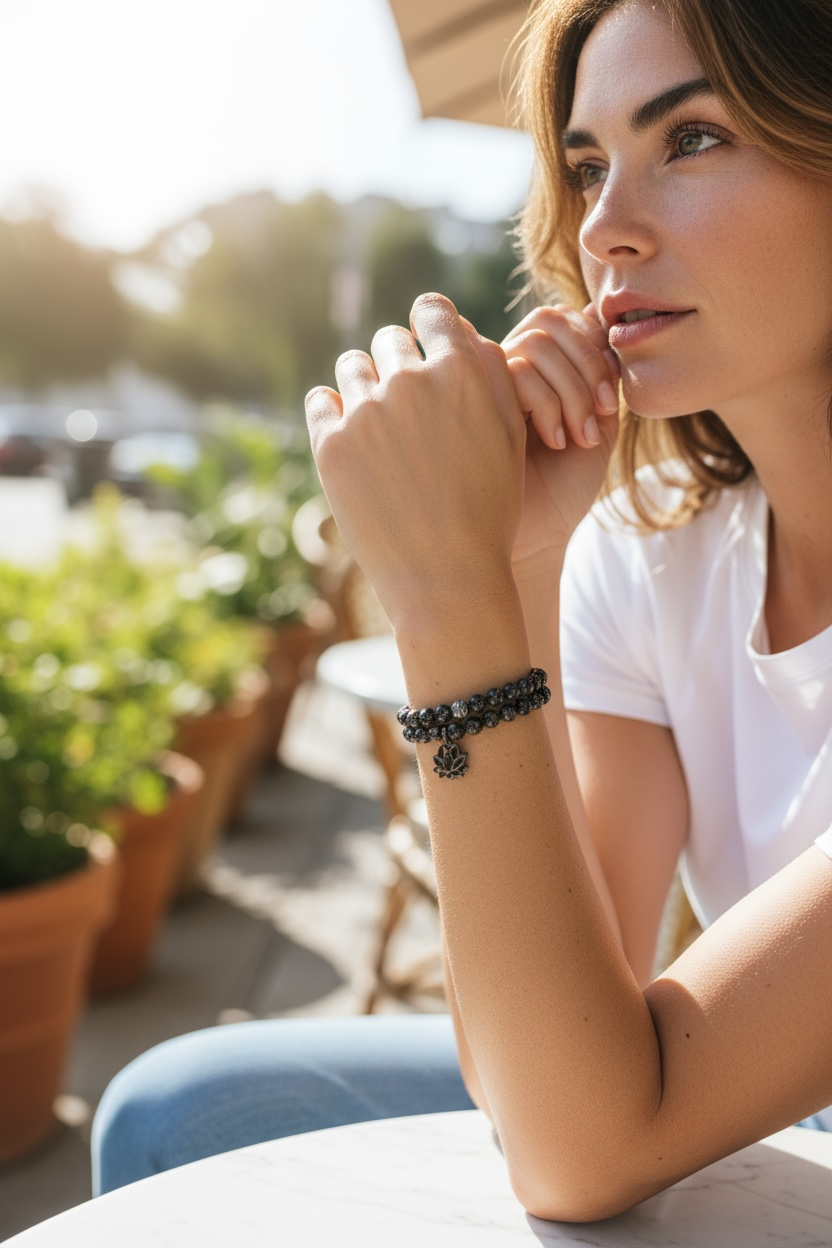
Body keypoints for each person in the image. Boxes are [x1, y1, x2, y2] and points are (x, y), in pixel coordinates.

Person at [92, 0, 832, 1219]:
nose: (606, 228)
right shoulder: (656, 558)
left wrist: (444, 605)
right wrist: (518, 564)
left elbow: (585, 1146)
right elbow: (533, 1049)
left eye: (691, 139)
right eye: (586, 166)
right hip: (728, 1115)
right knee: (180, 1110)